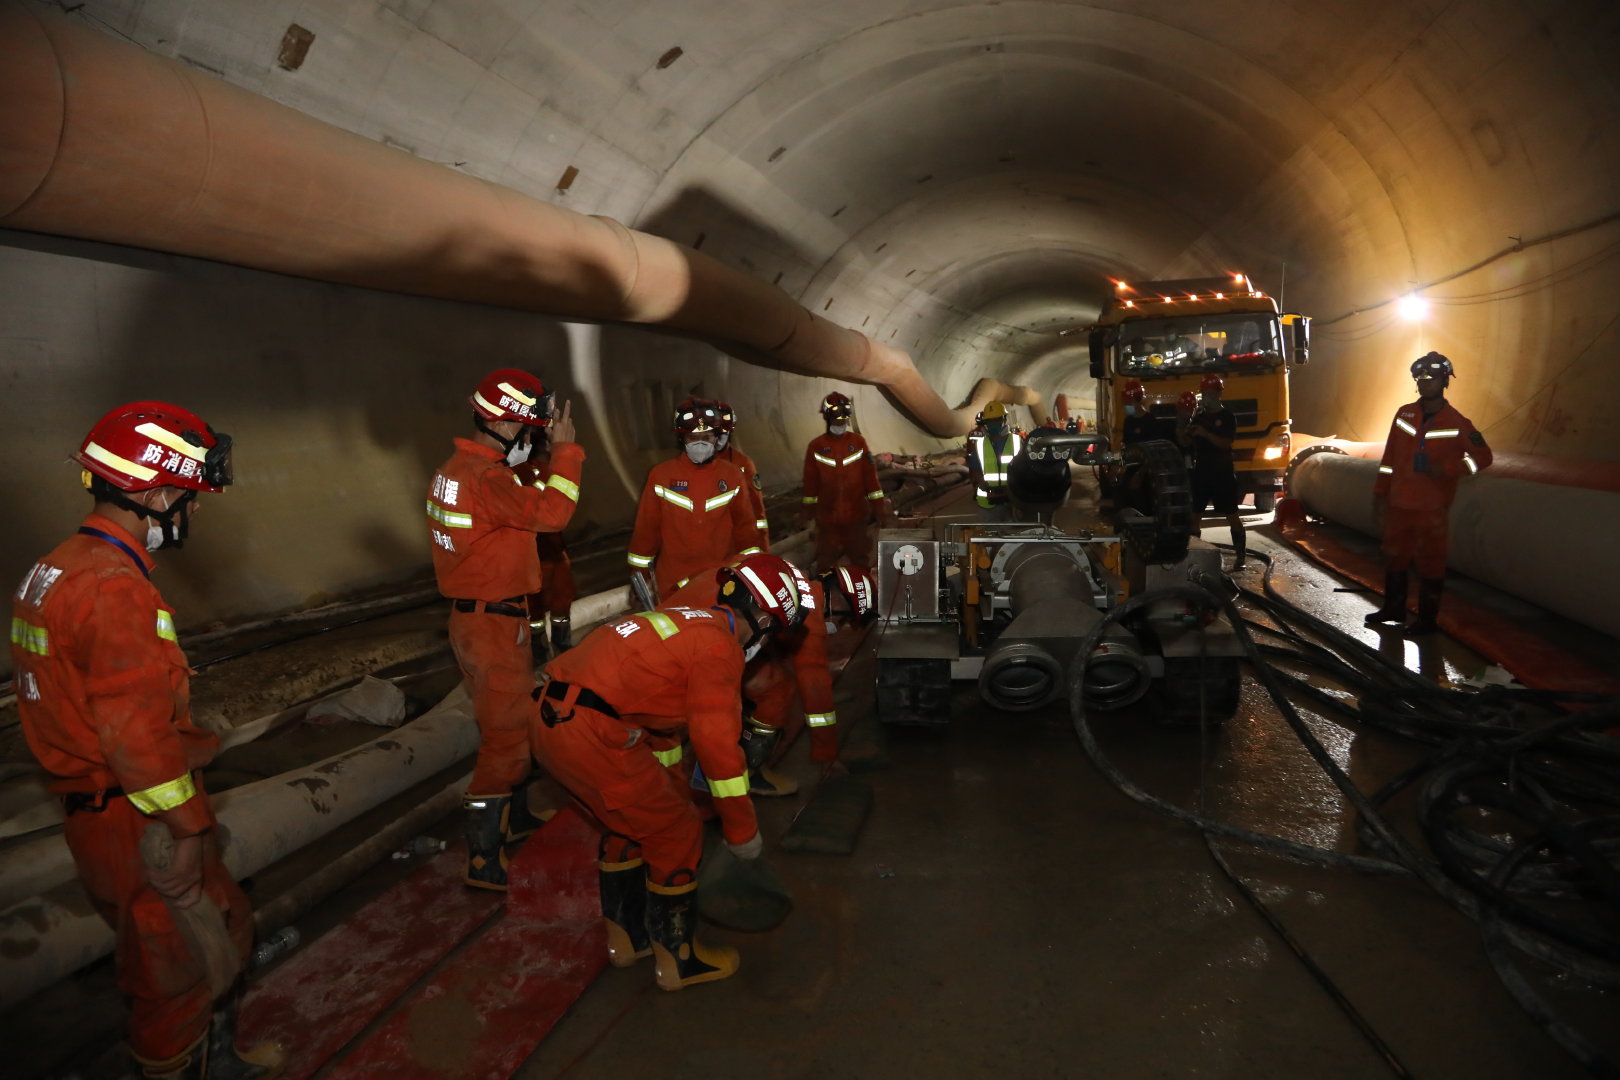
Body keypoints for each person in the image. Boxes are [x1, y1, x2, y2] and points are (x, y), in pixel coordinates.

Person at [10, 402, 284, 1079]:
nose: (190, 513)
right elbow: (135, 737)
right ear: (155, 492)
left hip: (103, 814)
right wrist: (187, 830)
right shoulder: (113, 590)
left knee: (207, 937)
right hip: (138, 822)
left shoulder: (57, 568)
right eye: (186, 499)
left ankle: (216, 1060)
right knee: (175, 978)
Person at [530, 553, 805, 990]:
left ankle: (628, 941)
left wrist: (673, 784)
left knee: (627, 824)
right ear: (764, 621)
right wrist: (742, 832)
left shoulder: (685, 618)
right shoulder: (720, 650)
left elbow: (657, 716)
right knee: (676, 832)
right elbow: (719, 752)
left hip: (553, 719)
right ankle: (678, 962)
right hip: (591, 733)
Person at [427, 368, 582, 890]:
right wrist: (566, 452)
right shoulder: (487, 481)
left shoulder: (451, 471)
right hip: (493, 626)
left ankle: (511, 820)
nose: (533, 439)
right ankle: (482, 858)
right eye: (528, 429)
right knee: (507, 741)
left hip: (472, 619)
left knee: (503, 723)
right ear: (497, 422)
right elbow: (555, 513)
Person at [669, 561, 878, 791]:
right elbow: (816, 690)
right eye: (845, 620)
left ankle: (689, 771)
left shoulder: (790, 574)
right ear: (839, 602)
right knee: (776, 687)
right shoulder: (809, 616)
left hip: (671, 620)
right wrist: (826, 756)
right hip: (699, 647)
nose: (840, 626)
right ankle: (743, 773)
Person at [1365, 352, 1493, 634]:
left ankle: (1426, 620)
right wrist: (1380, 494)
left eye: (1431, 378)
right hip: (1399, 504)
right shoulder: (1404, 414)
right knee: (1394, 555)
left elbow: (1483, 457)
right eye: (1420, 378)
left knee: (1430, 562)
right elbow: (1389, 459)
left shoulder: (1458, 422)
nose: (1424, 383)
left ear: (1444, 381)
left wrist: (1449, 468)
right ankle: (1393, 609)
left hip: (1431, 509)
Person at [628, 398, 761, 599]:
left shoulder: (732, 476)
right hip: (673, 587)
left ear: (717, 438)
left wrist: (752, 572)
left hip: (721, 583)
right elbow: (646, 532)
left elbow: (746, 530)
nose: (700, 444)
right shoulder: (661, 476)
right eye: (692, 438)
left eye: (706, 437)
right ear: (681, 439)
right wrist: (639, 578)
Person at [801, 392, 891, 571]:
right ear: (827, 417)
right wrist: (806, 513)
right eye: (836, 418)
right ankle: (827, 595)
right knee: (825, 564)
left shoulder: (858, 443)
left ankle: (863, 594)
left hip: (856, 519)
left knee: (860, 562)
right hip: (827, 521)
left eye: (844, 417)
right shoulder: (816, 447)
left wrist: (880, 510)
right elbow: (810, 485)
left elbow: (871, 481)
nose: (841, 422)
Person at [1182, 373, 1246, 570]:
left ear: (1218, 393)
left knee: (1232, 515)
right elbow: (1185, 442)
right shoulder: (1199, 418)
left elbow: (1225, 443)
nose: (1206, 396)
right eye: (1204, 393)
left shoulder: (1227, 417)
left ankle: (1240, 556)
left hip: (1223, 473)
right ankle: (1192, 556)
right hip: (1202, 472)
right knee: (1195, 516)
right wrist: (1184, 423)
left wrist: (1205, 434)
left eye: (1209, 393)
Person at [714, 400, 771, 552]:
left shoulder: (743, 464)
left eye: (723, 433)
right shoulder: (694, 464)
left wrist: (762, 548)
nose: (718, 438)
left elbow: (757, 509)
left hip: (737, 544)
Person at [966, 401, 1023, 522]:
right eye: (990, 421)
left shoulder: (1017, 441)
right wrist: (982, 483)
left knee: (1016, 536)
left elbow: (1026, 468)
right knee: (991, 537)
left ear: (1004, 420)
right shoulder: (981, 444)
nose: (993, 424)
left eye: (997, 420)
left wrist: (1014, 488)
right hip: (988, 501)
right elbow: (975, 467)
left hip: (1013, 500)